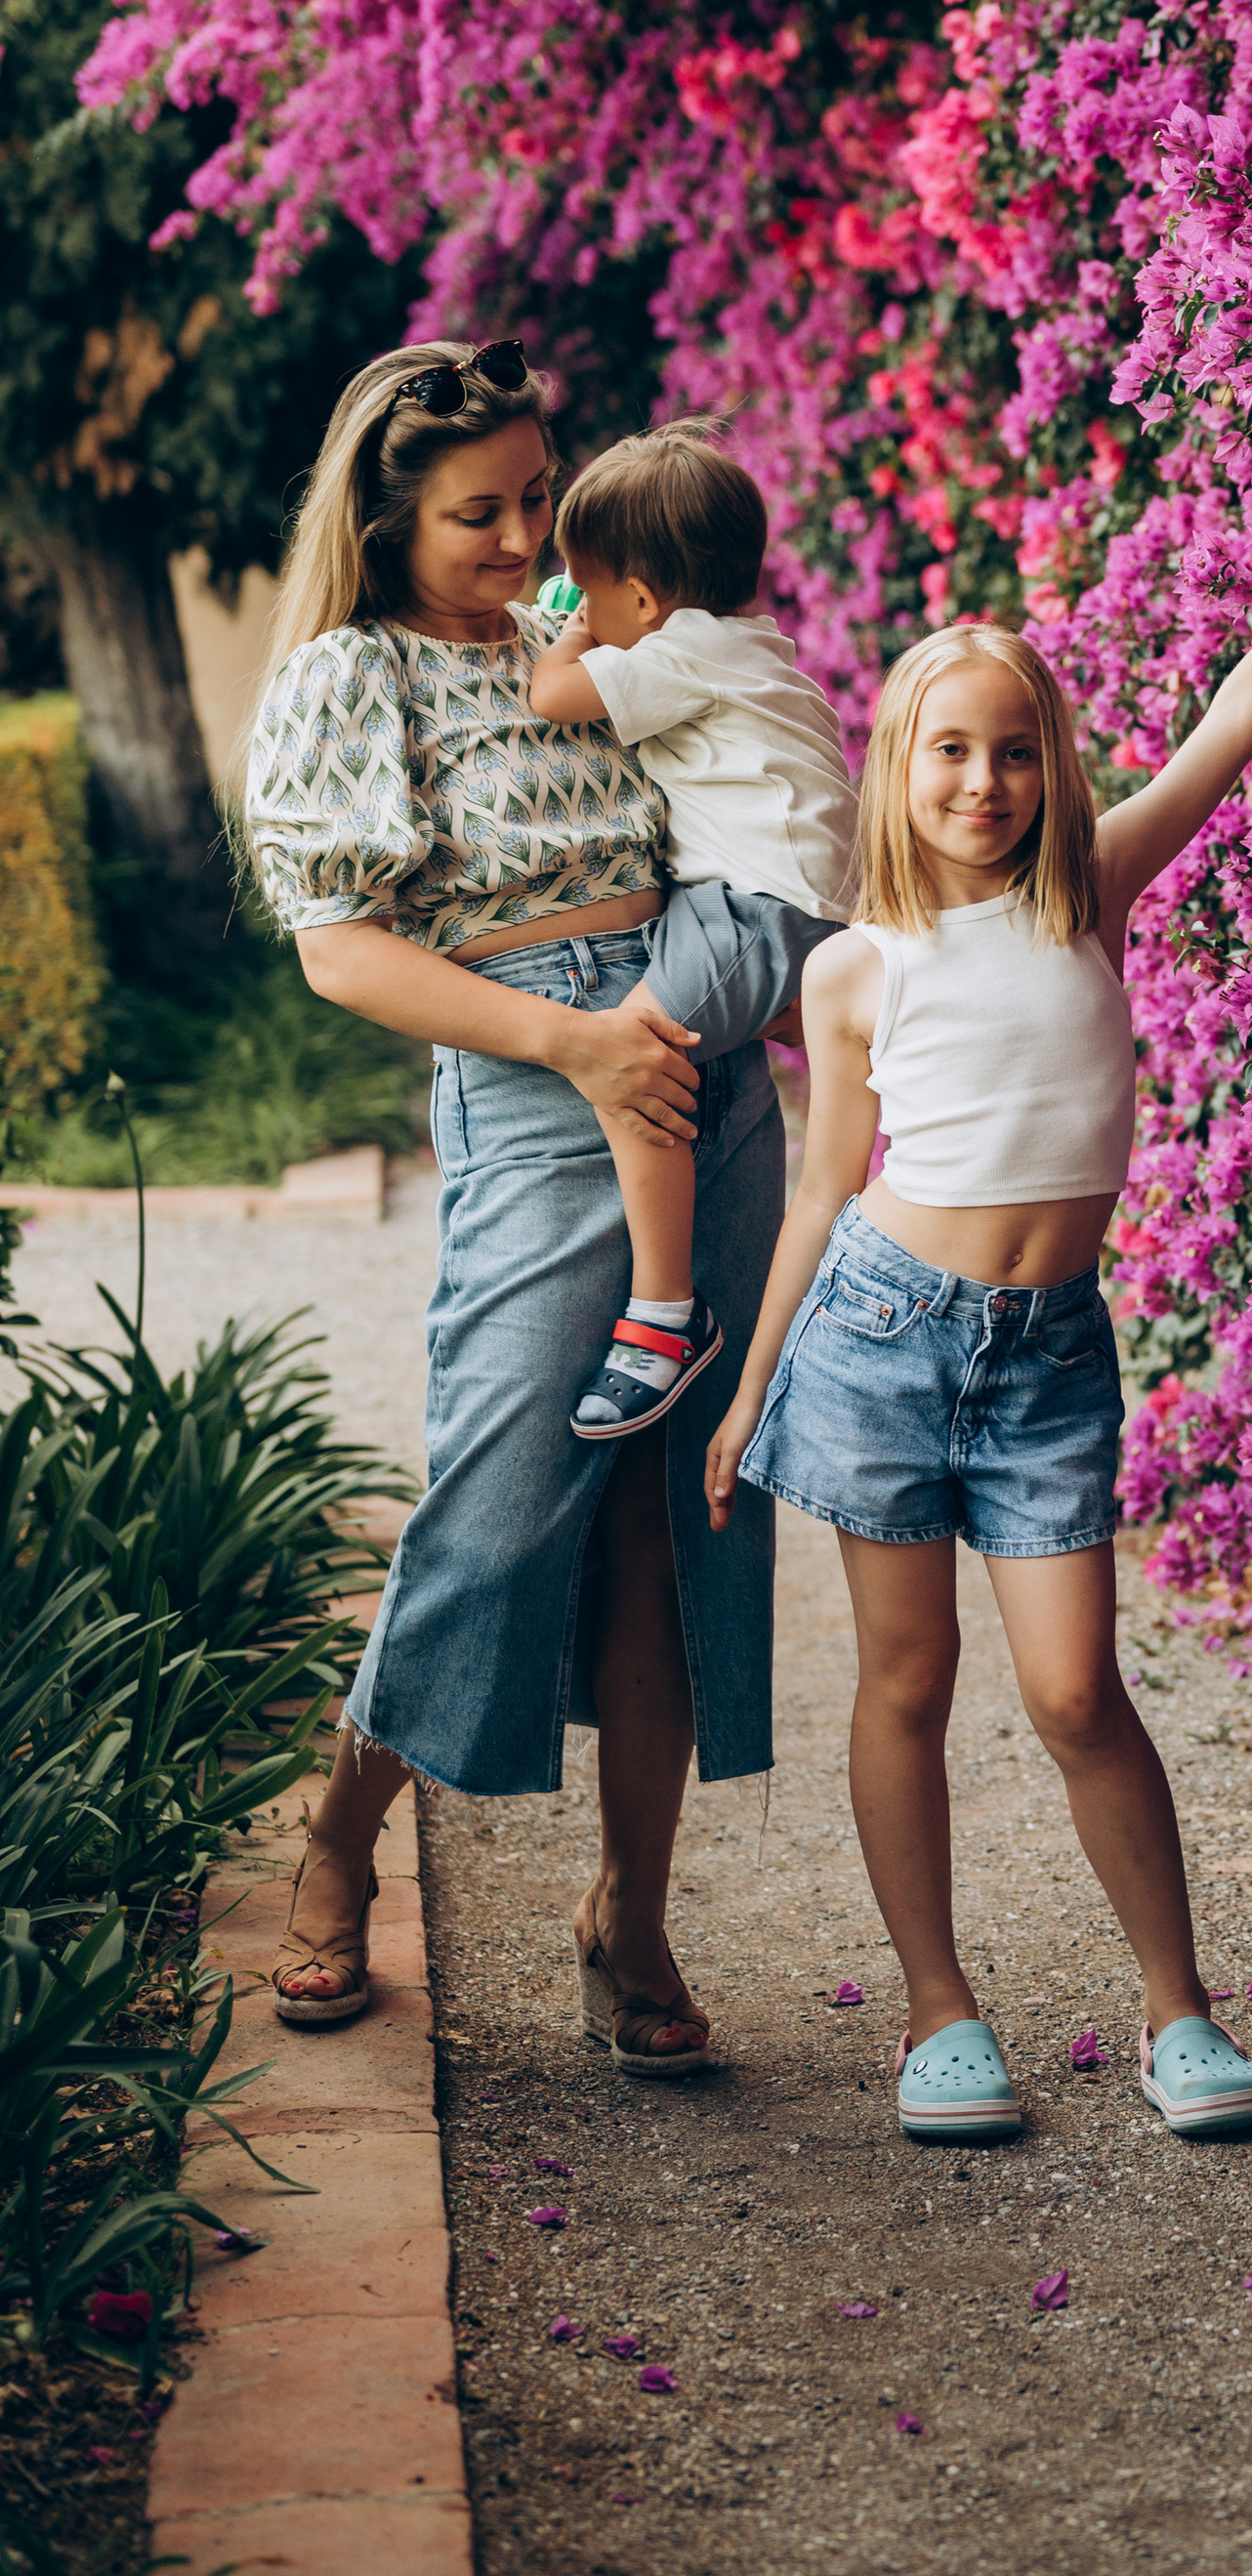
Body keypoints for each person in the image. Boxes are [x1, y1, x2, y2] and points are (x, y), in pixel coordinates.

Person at [701, 545, 1252, 2144]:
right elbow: (822, 1187)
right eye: (951, 748)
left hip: (1047, 1357)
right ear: (897, 766)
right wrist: (750, 1387)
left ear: (1051, 765)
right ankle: (939, 2014)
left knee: (1076, 1691)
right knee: (907, 1680)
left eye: (1014, 749)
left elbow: (1234, 720)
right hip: (876, 1338)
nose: (984, 779)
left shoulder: (1093, 891)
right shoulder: (855, 971)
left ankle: (1182, 2011)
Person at [241, 338, 787, 2079]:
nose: (522, 530)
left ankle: (632, 1913)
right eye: (479, 510)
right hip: (546, 1073)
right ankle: (342, 1843)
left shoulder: (598, 622)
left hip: (706, 1066)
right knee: (493, 1501)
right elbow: (341, 948)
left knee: (676, 1525)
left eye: (538, 493)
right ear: (388, 516)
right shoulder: (355, 675)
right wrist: (576, 1043)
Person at [524, 422, 858, 1439]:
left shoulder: (680, 651)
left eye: (587, 587)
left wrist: (564, 632)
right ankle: (668, 1306)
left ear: (642, 599)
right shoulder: (754, 646)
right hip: (788, 910)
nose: (579, 605)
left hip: (754, 909)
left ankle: (665, 1316)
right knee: (657, 1063)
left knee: (633, 1066)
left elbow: (548, 696)